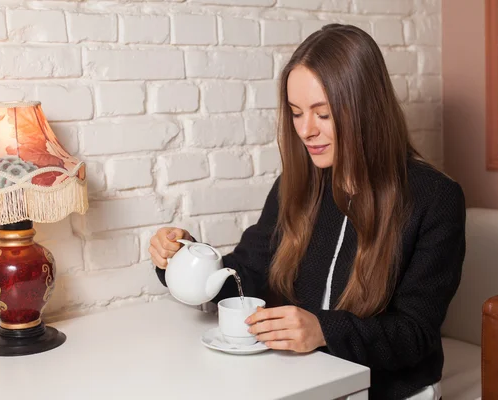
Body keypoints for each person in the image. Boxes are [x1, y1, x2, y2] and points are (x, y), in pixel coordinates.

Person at [150, 24, 465, 400]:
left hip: (392, 391)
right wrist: (184, 258)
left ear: (366, 108)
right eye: (297, 113)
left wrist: (323, 330)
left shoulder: (436, 198)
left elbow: (416, 334)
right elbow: (243, 277)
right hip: (303, 380)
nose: (306, 130)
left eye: (323, 114)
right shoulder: (297, 185)